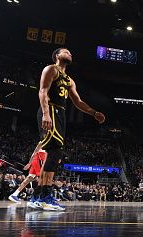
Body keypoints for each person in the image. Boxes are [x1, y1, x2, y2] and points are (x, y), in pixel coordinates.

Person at [30, 48, 106, 211]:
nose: (70, 54)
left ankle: (37, 196)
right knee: (56, 151)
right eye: (66, 52)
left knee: (53, 152)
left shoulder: (70, 80)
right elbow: (43, 91)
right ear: (57, 56)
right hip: (50, 109)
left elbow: (78, 102)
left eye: (71, 52)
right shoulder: (51, 69)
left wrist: (94, 113)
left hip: (60, 113)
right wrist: (45, 114)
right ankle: (44, 197)